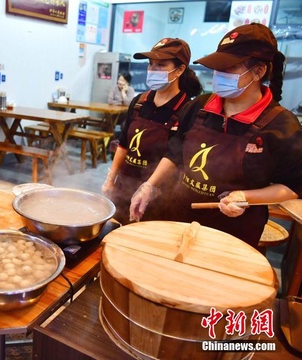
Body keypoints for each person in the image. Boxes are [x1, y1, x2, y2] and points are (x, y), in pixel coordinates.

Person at [129, 23, 302, 249]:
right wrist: (149, 185)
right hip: (179, 217)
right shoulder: (200, 106)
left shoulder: (281, 125)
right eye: (217, 68)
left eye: (227, 68)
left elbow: (291, 187)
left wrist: (246, 197)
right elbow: (174, 153)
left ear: (258, 71)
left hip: (232, 234)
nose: (218, 75)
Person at [102, 38, 202, 224]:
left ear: (179, 70)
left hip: (158, 195)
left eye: (161, 65)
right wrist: (111, 178)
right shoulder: (140, 101)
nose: (152, 70)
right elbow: (124, 144)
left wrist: (148, 187)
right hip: (124, 186)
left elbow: (175, 156)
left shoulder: (187, 109)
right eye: (151, 65)